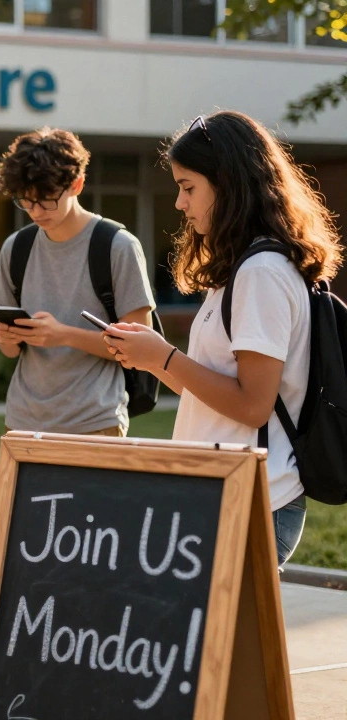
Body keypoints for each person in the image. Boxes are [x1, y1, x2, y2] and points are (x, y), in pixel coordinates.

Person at [104, 110, 340, 568]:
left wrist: (165, 356)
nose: (179, 203)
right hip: (226, 491)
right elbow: (212, 392)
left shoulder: (262, 273)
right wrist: (151, 359)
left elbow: (253, 405)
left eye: (188, 187)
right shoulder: (241, 270)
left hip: (253, 499)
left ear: (229, 184)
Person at [0, 127, 155, 436]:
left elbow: (141, 351)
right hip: (22, 422)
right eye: (26, 201)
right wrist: (6, 337)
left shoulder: (118, 246)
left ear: (76, 184)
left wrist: (63, 335)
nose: (35, 211)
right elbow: (11, 353)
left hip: (95, 421)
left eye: (47, 200)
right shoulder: (16, 248)